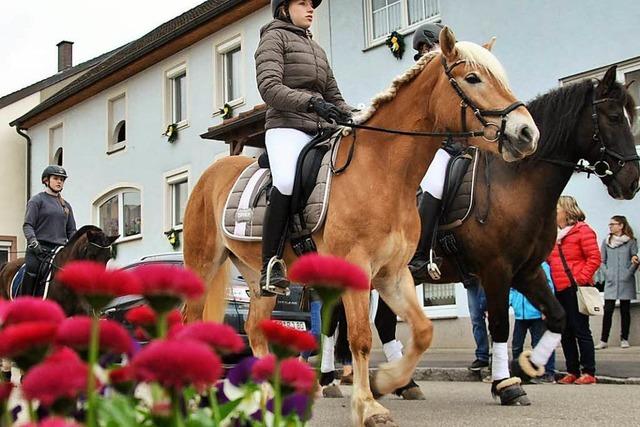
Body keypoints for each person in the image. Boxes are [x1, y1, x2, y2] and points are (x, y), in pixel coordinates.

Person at [406, 21, 491, 372]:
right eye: (433, 47)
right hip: (436, 148)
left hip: (464, 145)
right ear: (426, 47)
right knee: (437, 184)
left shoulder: (455, 67)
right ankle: (421, 253)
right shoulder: (421, 75)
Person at [255, 0, 351, 295]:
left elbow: (334, 95)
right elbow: (269, 87)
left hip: (321, 130)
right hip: (286, 127)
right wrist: (311, 102)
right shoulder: (273, 37)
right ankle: (270, 265)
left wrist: (354, 115)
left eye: (312, 4)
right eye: (303, 3)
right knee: (285, 180)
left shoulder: (318, 50)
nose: (311, 8)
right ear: (284, 8)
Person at [547, 196, 600, 385]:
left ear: (567, 211)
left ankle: (588, 371)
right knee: (566, 331)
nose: (554, 212)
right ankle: (572, 370)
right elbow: (549, 261)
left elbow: (594, 257)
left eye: (557, 208)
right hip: (559, 288)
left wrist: (581, 279)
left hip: (576, 288)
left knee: (580, 330)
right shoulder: (553, 235)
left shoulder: (582, 231)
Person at [21, 165, 77, 297]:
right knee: (32, 271)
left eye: (62, 180)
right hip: (39, 250)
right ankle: (25, 303)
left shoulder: (66, 205)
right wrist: (33, 242)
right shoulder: (36, 200)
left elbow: (72, 231)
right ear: (46, 180)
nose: (59, 182)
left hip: (59, 250)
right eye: (56, 178)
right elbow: (28, 225)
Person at [595, 216, 639, 350]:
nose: (610, 227)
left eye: (613, 224)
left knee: (625, 310)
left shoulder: (631, 241)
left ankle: (624, 338)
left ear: (621, 225)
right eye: (610, 224)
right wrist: (607, 273)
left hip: (626, 280)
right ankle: (603, 340)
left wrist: (629, 271)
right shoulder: (607, 242)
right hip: (611, 280)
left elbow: (635, 258)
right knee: (608, 310)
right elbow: (602, 260)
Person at [510, 262, 556, 383]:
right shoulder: (515, 265)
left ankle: (547, 373)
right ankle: (518, 373)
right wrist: (510, 302)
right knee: (516, 345)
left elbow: (549, 288)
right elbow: (510, 288)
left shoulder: (542, 266)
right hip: (520, 314)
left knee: (540, 345)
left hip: (537, 313)